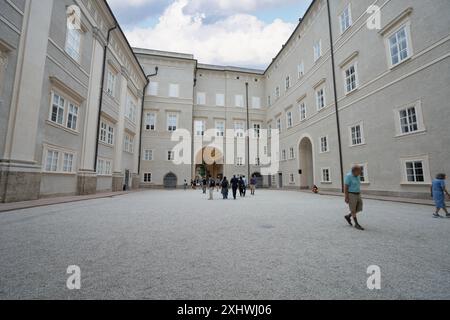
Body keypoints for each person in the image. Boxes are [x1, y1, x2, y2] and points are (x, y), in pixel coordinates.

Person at [344, 165, 365, 231]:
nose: (360, 173)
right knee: (353, 209)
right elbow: (346, 187)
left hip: (358, 194)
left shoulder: (357, 175)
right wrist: (346, 197)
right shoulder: (348, 176)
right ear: (354, 171)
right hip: (351, 194)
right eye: (359, 171)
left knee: (359, 208)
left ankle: (348, 216)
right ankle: (356, 224)